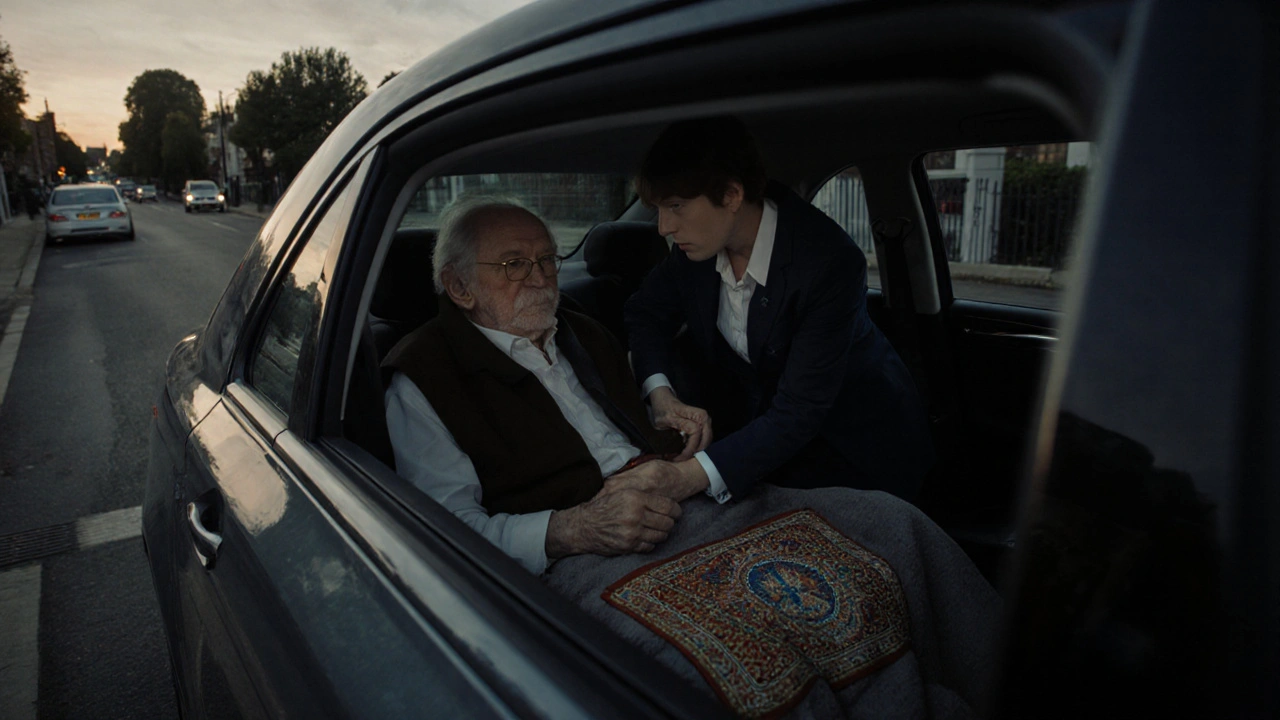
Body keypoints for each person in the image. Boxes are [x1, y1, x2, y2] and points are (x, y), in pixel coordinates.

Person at [621, 116, 935, 506]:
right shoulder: (695, 252)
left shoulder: (828, 263)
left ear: (732, 195)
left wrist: (687, 476)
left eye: (676, 206)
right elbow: (645, 314)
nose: (663, 227)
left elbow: (800, 410)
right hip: (770, 440)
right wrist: (661, 395)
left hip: (854, 448)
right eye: (658, 209)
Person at [383, 197, 693, 575]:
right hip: (583, 557)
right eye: (514, 265)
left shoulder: (583, 330)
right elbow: (449, 533)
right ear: (460, 286)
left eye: (547, 259)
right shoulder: (424, 379)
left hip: (679, 495)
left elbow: (635, 423)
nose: (541, 277)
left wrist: (669, 420)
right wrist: (574, 530)